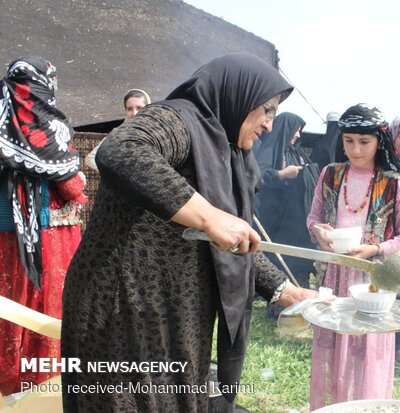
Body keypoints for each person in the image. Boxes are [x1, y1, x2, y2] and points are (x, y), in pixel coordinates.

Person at [61, 53, 316, 412]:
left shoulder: (226, 153)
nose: (270, 125)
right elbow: (122, 150)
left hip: (175, 313)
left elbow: (232, 239)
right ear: (238, 95)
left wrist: (286, 291)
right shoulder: (177, 119)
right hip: (123, 309)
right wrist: (210, 216)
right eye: (267, 110)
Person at [306, 103, 400, 410]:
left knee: (366, 351)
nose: (355, 149)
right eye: (348, 141)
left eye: (364, 142)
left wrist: (377, 249)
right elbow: (313, 217)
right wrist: (318, 231)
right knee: (332, 347)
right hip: (334, 275)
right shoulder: (331, 175)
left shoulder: (396, 184)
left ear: (379, 141)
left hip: (373, 283)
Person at [0, 56, 88, 395]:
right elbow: (70, 187)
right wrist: (79, 178)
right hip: (46, 245)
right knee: (45, 319)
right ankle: (42, 389)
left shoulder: (3, 118)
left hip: (8, 241)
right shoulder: (44, 126)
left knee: (9, 312)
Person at [254, 112, 319, 287]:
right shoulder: (269, 149)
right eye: (295, 130)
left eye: (299, 131)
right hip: (274, 216)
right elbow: (257, 176)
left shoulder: (294, 151)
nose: (298, 135)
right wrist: (282, 174)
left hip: (293, 217)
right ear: (285, 129)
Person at [85, 88, 151, 171]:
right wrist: (116, 175)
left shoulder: (156, 131)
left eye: (139, 108)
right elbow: (90, 159)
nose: (134, 113)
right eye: (129, 109)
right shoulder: (119, 133)